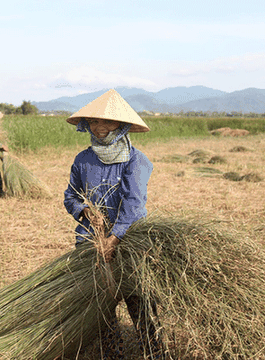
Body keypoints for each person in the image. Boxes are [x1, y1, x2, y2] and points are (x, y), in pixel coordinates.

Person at [64, 89, 166, 360]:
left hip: (130, 241)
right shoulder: (83, 159)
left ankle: (154, 353)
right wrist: (84, 210)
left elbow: (134, 204)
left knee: (139, 301)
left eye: (107, 122)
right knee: (101, 306)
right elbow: (70, 195)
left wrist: (115, 237)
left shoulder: (137, 160)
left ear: (121, 127)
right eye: (95, 122)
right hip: (90, 242)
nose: (100, 128)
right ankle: (113, 354)